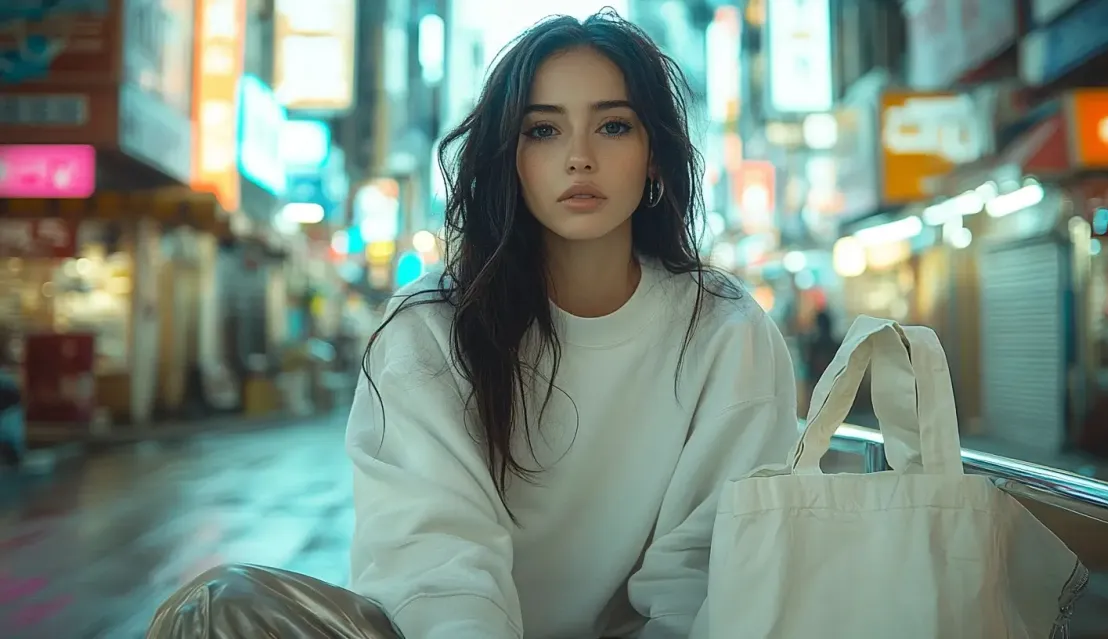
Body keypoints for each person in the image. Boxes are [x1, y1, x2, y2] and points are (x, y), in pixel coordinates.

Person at [146, 10, 799, 639]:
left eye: (614, 127)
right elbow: (437, 564)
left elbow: (702, 577)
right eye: (543, 130)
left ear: (655, 154)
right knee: (217, 610)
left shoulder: (725, 330)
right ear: (508, 158)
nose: (579, 157)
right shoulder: (430, 328)